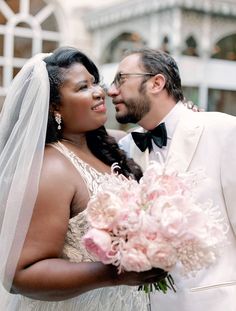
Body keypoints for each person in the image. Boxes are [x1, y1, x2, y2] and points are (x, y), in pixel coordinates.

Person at [0, 47, 168, 311]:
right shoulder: (52, 168)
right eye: (82, 88)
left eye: (95, 82)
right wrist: (114, 274)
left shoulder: (105, 145)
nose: (99, 91)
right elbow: (20, 274)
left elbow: (159, 132)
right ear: (55, 106)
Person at [107, 48, 236, 311]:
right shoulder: (129, 146)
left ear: (156, 82)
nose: (111, 91)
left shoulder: (224, 131)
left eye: (121, 79)